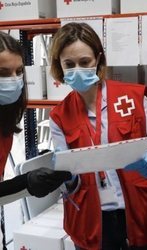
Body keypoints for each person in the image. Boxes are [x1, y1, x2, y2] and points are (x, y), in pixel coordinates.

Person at [49, 22, 147, 250]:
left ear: (98, 59)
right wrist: (65, 176)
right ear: (59, 65)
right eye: (69, 64)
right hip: (93, 220)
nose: (77, 69)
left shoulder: (132, 97)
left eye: (85, 62)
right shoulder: (59, 115)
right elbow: (70, 182)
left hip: (140, 210)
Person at [0, 31, 72, 204]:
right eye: (3, 73)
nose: (14, 80)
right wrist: (26, 183)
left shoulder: (5, 118)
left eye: (18, 72)